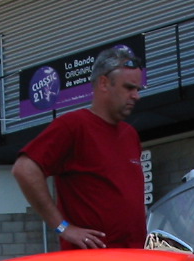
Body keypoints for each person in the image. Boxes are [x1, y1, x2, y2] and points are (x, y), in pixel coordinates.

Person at [12, 46, 147, 250]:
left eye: (138, 90)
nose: (136, 96)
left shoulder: (130, 135)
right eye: (129, 88)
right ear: (103, 83)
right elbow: (24, 169)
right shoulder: (73, 126)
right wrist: (62, 227)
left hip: (133, 258)